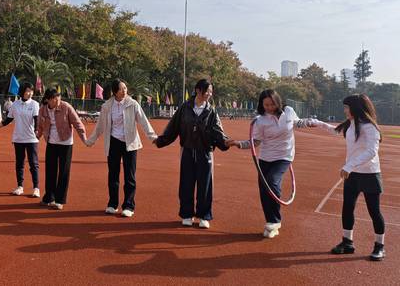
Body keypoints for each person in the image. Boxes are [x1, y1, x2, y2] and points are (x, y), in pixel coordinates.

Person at [227, 89, 319, 237]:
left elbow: (298, 122)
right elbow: (256, 142)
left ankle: (276, 221)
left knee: (272, 181)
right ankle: (271, 222)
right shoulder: (260, 120)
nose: (269, 107)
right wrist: (239, 144)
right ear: (261, 105)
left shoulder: (288, 111)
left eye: (272, 104)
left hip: (284, 156)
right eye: (266, 105)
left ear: (278, 102)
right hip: (265, 157)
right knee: (264, 189)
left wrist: (309, 122)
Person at [154, 79, 231, 229]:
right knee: (186, 183)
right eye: (207, 91)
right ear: (197, 90)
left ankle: (204, 216)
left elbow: (217, 131)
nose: (209, 94)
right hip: (188, 151)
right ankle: (187, 214)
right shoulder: (185, 108)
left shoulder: (211, 111)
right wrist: (161, 140)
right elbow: (173, 126)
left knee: (205, 185)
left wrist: (225, 142)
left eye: (210, 91)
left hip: (205, 152)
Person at [318, 94, 386, 261]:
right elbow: (335, 130)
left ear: (355, 108)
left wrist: (349, 165)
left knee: (374, 211)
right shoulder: (351, 123)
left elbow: (371, 151)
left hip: (370, 174)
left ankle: (379, 246)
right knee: (347, 208)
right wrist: (315, 122)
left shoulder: (370, 127)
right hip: (353, 175)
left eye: (347, 107)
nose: (345, 110)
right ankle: (347, 243)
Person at [86, 78, 157, 217]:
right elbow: (100, 126)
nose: (124, 91)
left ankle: (128, 206)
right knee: (113, 175)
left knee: (130, 176)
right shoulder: (107, 106)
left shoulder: (132, 104)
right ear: (114, 92)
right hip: (113, 142)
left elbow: (143, 120)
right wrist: (91, 140)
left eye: (125, 88)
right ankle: (112, 204)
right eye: (120, 89)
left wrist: (153, 137)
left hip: (130, 143)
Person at [37, 88, 87, 209]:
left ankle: (59, 200)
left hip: (66, 142)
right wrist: (36, 137)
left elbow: (77, 123)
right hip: (51, 142)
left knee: (64, 171)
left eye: (58, 98)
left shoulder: (66, 107)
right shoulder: (43, 109)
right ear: (48, 100)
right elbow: (40, 126)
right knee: (50, 171)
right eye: (55, 99)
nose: (57, 100)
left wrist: (84, 139)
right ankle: (49, 197)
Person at [2, 82, 41, 197]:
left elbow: (37, 119)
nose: (30, 93)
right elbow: (8, 120)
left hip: (31, 139)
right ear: (22, 91)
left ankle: (36, 188)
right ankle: (20, 187)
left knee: (33, 164)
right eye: (28, 91)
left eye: (31, 91)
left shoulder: (35, 104)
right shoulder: (15, 104)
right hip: (18, 138)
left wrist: (36, 130)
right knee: (19, 163)